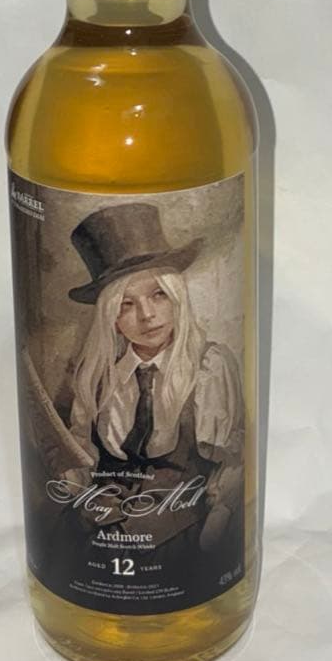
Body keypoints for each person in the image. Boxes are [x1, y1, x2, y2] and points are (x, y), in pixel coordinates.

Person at [64, 202, 245, 554]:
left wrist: (213, 536)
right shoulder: (98, 380)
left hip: (182, 541)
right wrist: (79, 498)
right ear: (112, 319)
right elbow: (80, 461)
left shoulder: (209, 369)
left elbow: (231, 466)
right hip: (102, 539)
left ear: (177, 298)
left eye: (158, 294)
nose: (147, 315)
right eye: (126, 304)